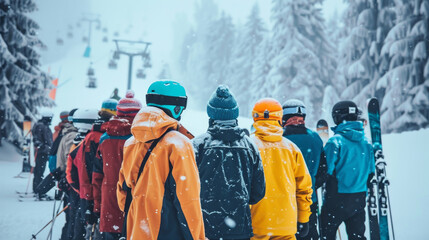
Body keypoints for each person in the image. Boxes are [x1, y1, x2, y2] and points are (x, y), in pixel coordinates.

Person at [117, 80, 205, 240]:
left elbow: (123, 193)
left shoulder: (131, 142)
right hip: (168, 231)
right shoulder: (178, 143)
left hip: (137, 230)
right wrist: (197, 236)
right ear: (176, 107)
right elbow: (187, 200)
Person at [193, 85, 265, 240]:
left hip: (205, 227)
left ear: (211, 115)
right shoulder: (250, 146)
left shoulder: (198, 145)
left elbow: (185, 188)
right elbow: (259, 192)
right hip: (239, 228)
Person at [250, 98, 313, 240]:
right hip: (286, 224)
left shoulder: (249, 146)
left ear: (254, 117)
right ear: (279, 117)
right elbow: (304, 187)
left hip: (256, 224)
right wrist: (303, 218)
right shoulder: (291, 148)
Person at [320, 101, 375, 240]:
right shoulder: (367, 142)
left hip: (336, 198)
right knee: (357, 235)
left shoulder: (335, 142)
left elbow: (326, 170)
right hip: (359, 198)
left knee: (327, 233)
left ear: (337, 117)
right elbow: (371, 172)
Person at [92, 91, 142, 240]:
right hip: (133, 205)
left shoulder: (105, 137)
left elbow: (97, 175)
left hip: (109, 204)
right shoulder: (140, 138)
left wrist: (97, 205)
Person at [282, 99, 327, 240]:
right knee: (309, 235)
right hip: (309, 200)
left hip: (283, 202)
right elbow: (323, 171)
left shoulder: (279, 139)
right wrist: (312, 184)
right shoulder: (314, 137)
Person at [66, 108, 99, 240]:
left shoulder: (78, 143)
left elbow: (70, 173)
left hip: (82, 194)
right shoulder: (96, 140)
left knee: (77, 224)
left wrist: (80, 189)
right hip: (93, 194)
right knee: (88, 228)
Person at [32, 111, 53, 199]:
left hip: (44, 151)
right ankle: (38, 190)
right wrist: (43, 146)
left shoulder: (44, 126)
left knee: (40, 171)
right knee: (39, 171)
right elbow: (37, 139)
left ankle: (37, 189)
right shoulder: (41, 126)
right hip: (41, 152)